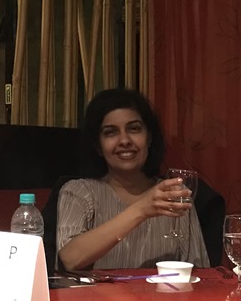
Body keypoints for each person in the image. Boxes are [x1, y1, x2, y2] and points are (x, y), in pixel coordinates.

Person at [55, 89, 210, 270]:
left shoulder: (174, 196)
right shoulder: (79, 192)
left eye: (134, 129)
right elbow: (70, 259)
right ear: (98, 146)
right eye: (111, 132)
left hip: (165, 289)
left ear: (149, 137)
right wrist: (142, 209)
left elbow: (199, 271)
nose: (125, 140)